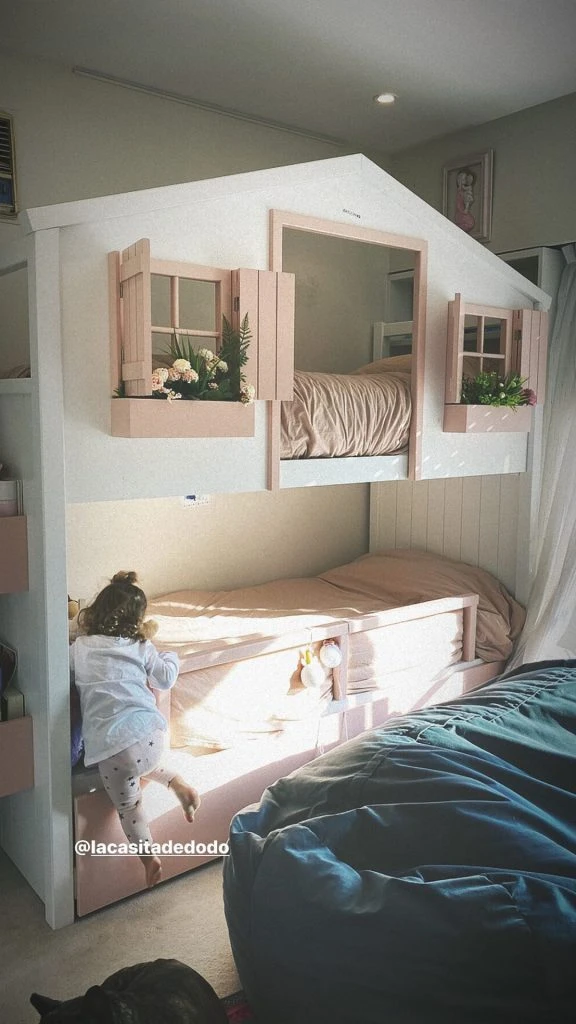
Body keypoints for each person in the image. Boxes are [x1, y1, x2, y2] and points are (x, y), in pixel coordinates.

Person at [69, 570, 200, 888]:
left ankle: (148, 857)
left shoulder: (80, 648)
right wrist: (170, 655)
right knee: (141, 762)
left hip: (113, 747)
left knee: (129, 806)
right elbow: (165, 679)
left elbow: (61, 667)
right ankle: (178, 784)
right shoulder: (142, 646)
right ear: (137, 621)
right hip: (151, 735)